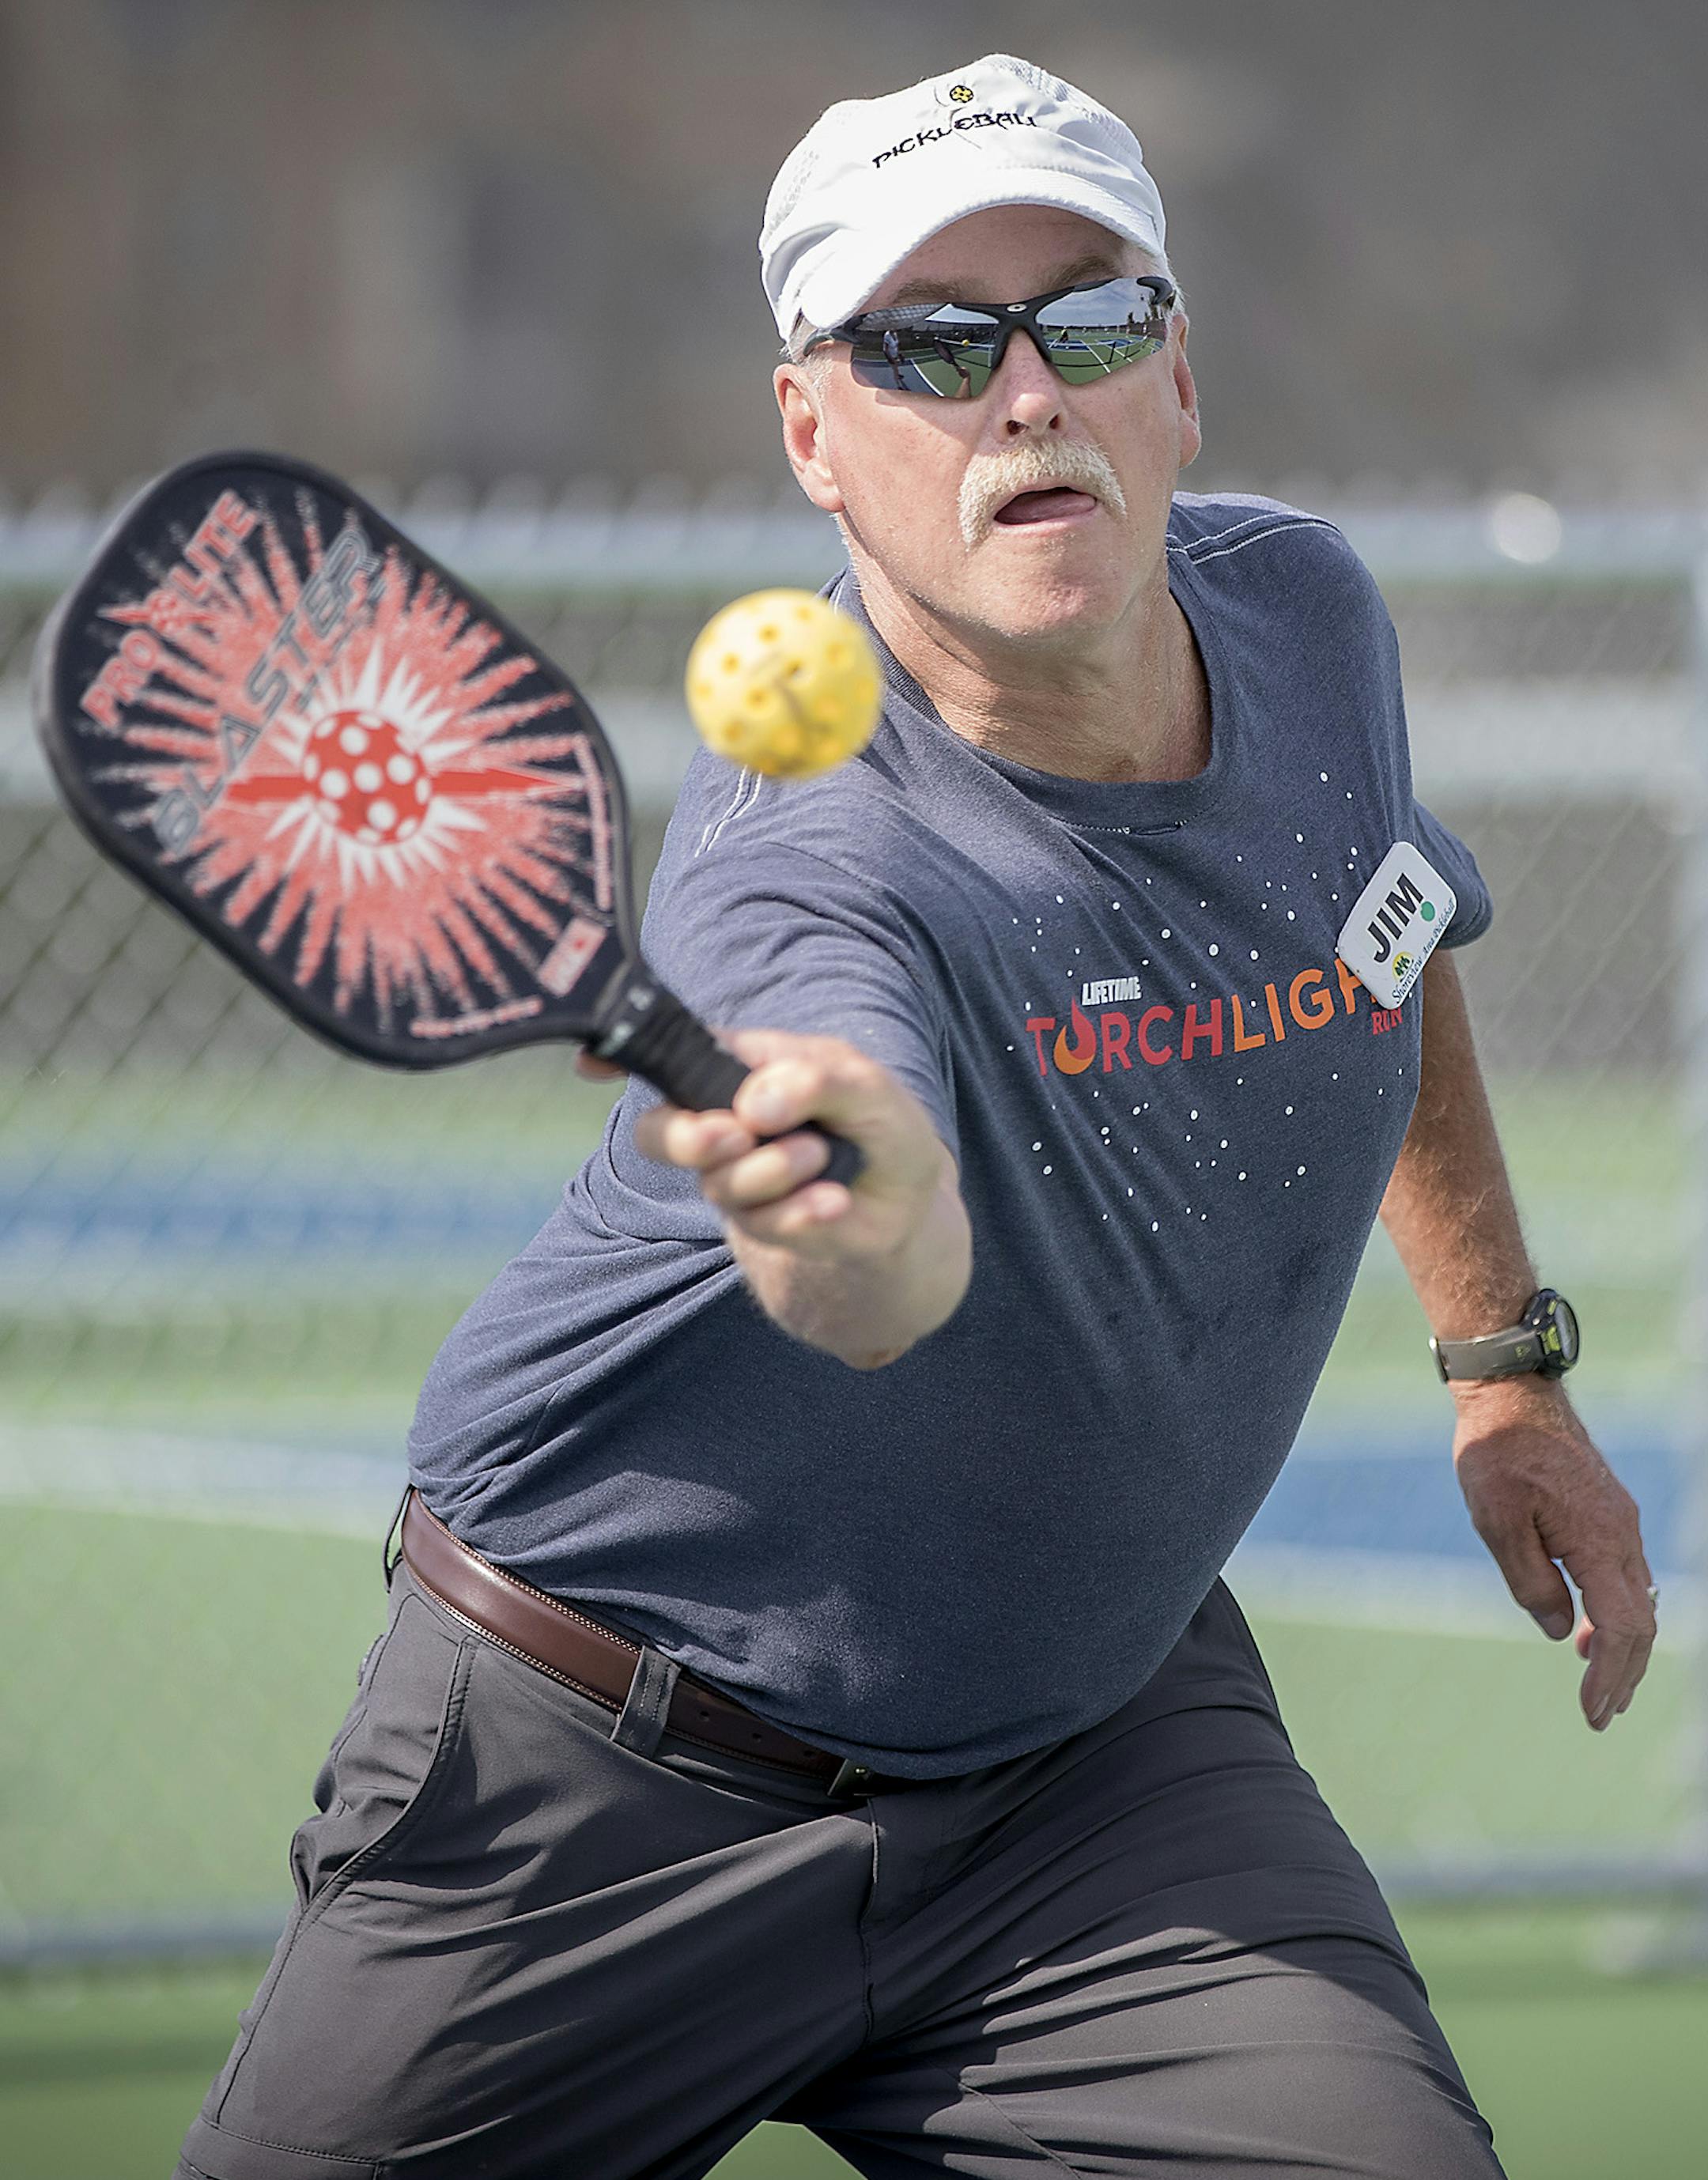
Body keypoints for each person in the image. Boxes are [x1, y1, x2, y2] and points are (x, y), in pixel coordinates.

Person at [177, 52, 1657, 2180]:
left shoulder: (1309, 620)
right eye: (937, 345)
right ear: (817, 439)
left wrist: (1504, 1366)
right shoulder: (809, 870)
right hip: (600, 1784)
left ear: (1181, 380)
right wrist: (833, 1195)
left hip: (1095, 1784)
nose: (1027, 391)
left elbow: (1382, 936)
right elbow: (879, 1258)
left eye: (1093, 316)